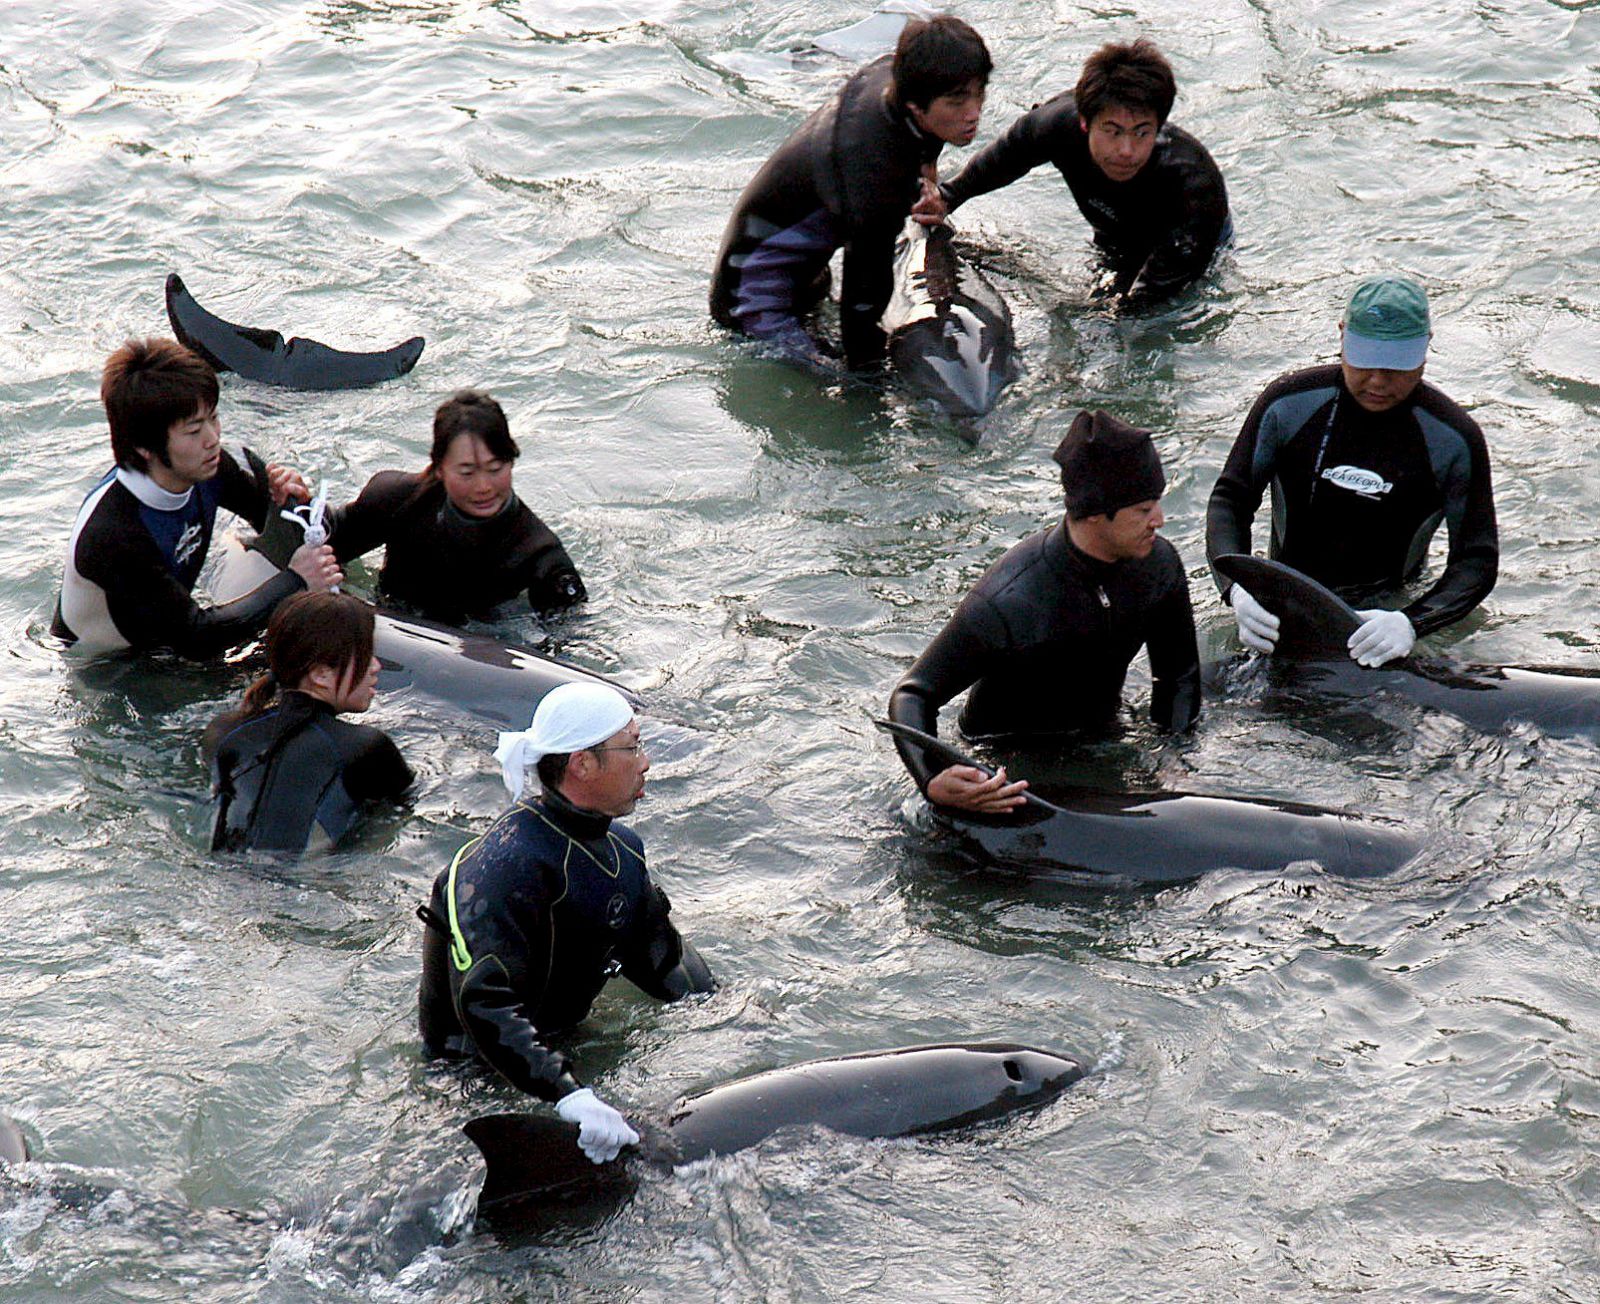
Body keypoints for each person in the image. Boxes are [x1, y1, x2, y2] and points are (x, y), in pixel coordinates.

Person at [418, 682, 714, 1165]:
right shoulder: (504, 864)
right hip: (472, 1083)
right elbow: (483, 1000)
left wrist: (731, 1017)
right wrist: (567, 1094)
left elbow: (663, 960)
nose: (645, 762)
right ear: (582, 763)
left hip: (565, 1051)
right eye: (632, 747)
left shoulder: (623, 852)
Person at [888, 411, 1200, 814]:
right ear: (1095, 512)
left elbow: (1178, 678)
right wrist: (932, 777)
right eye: (1143, 510)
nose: (1159, 520)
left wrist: (1172, 758)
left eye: (1157, 502)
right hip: (1007, 762)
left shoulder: (1159, 567)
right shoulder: (1010, 599)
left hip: (1103, 740)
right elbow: (914, 693)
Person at [1207, 275, 1498, 668]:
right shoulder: (1288, 405)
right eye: (1365, 360)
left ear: (1426, 347)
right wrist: (1237, 590)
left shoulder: (1453, 439)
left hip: (1387, 614)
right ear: (1342, 335)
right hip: (1284, 603)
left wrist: (1412, 622)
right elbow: (1230, 500)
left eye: (1395, 366)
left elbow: (1476, 559)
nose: (1378, 380)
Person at [709, 14, 991, 370]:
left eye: (980, 92)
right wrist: (870, 379)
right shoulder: (874, 179)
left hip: (806, 273)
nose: (974, 113)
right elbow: (863, 303)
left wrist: (929, 186)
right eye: (957, 102)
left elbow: (925, 140)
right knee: (848, 379)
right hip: (753, 303)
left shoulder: (895, 76)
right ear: (916, 106)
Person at [53, 338, 342, 659]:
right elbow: (197, 637)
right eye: (193, 431)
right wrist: (295, 580)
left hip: (173, 634)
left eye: (213, 418)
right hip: (110, 668)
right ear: (143, 446)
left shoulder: (205, 466)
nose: (213, 438)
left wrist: (289, 498)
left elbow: (269, 520)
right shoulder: (112, 535)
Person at [926, 37, 1229, 308]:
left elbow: (1153, 293)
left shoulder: (1194, 184)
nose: (1126, 151)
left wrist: (1115, 314)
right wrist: (946, 198)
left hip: (1189, 248)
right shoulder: (1055, 125)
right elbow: (1003, 159)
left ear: (1159, 126)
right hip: (1114, 236)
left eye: (1141, 132)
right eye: (1112, 131)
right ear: (1085, 122)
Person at [325, 390, 585, 626]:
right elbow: (321, 546)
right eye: (466, 472)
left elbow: (569, 643)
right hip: (393, 621)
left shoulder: (540, 554)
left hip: (490, 641)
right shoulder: (395, 500)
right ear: (440, 468)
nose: (483, 487)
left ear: (512, 461)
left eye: (495, 469)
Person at [205, 592, 413, 854]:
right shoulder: (364, 747)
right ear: (321, 675)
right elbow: (402, 813)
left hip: (216, 871)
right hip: (302, 878)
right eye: (365, 654)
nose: (376, 666)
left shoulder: (222, 732)